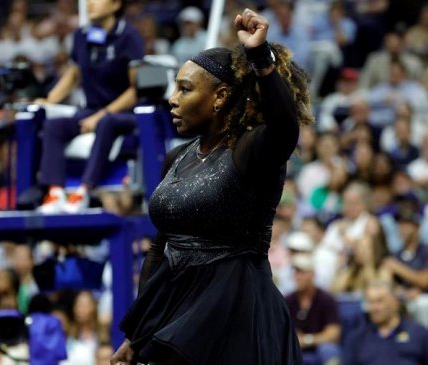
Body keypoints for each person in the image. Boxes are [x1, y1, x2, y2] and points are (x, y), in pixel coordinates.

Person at [113, 9, 312, 365]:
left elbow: (285, 129)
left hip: (236, 312)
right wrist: (137, 335)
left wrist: (259, 57)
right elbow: (160, 248)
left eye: (185, 89)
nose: (172, 99)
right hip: (176, 310)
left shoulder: (251, 150)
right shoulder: (177, 157)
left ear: (219, 97)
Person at [37, 0, 144, 213]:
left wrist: (100, 116)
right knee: (53, 126)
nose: (90, 4)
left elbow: (135, 90)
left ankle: (83, 192)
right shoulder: (81, 35)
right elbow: (73, 74)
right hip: (91, 111)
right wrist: (49, 99)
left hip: (125, 114)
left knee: (106, 122)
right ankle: (56, 193)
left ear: (115, 5)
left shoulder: (129, 36)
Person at [342, 280, 428, 365]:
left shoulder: (419, 333)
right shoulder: (356, 339)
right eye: (371, 302)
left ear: (395, 302)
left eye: (380, 301)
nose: (374, 308)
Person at [285, 254, 341, 365]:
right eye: (295, 272)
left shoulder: (325, 299)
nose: (297, 276)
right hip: (295, 350)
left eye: (302, 272)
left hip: (319, 349)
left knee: (328, 350)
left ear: (312, 274)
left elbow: (334, 334)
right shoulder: (288, 300)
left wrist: (307, 340)